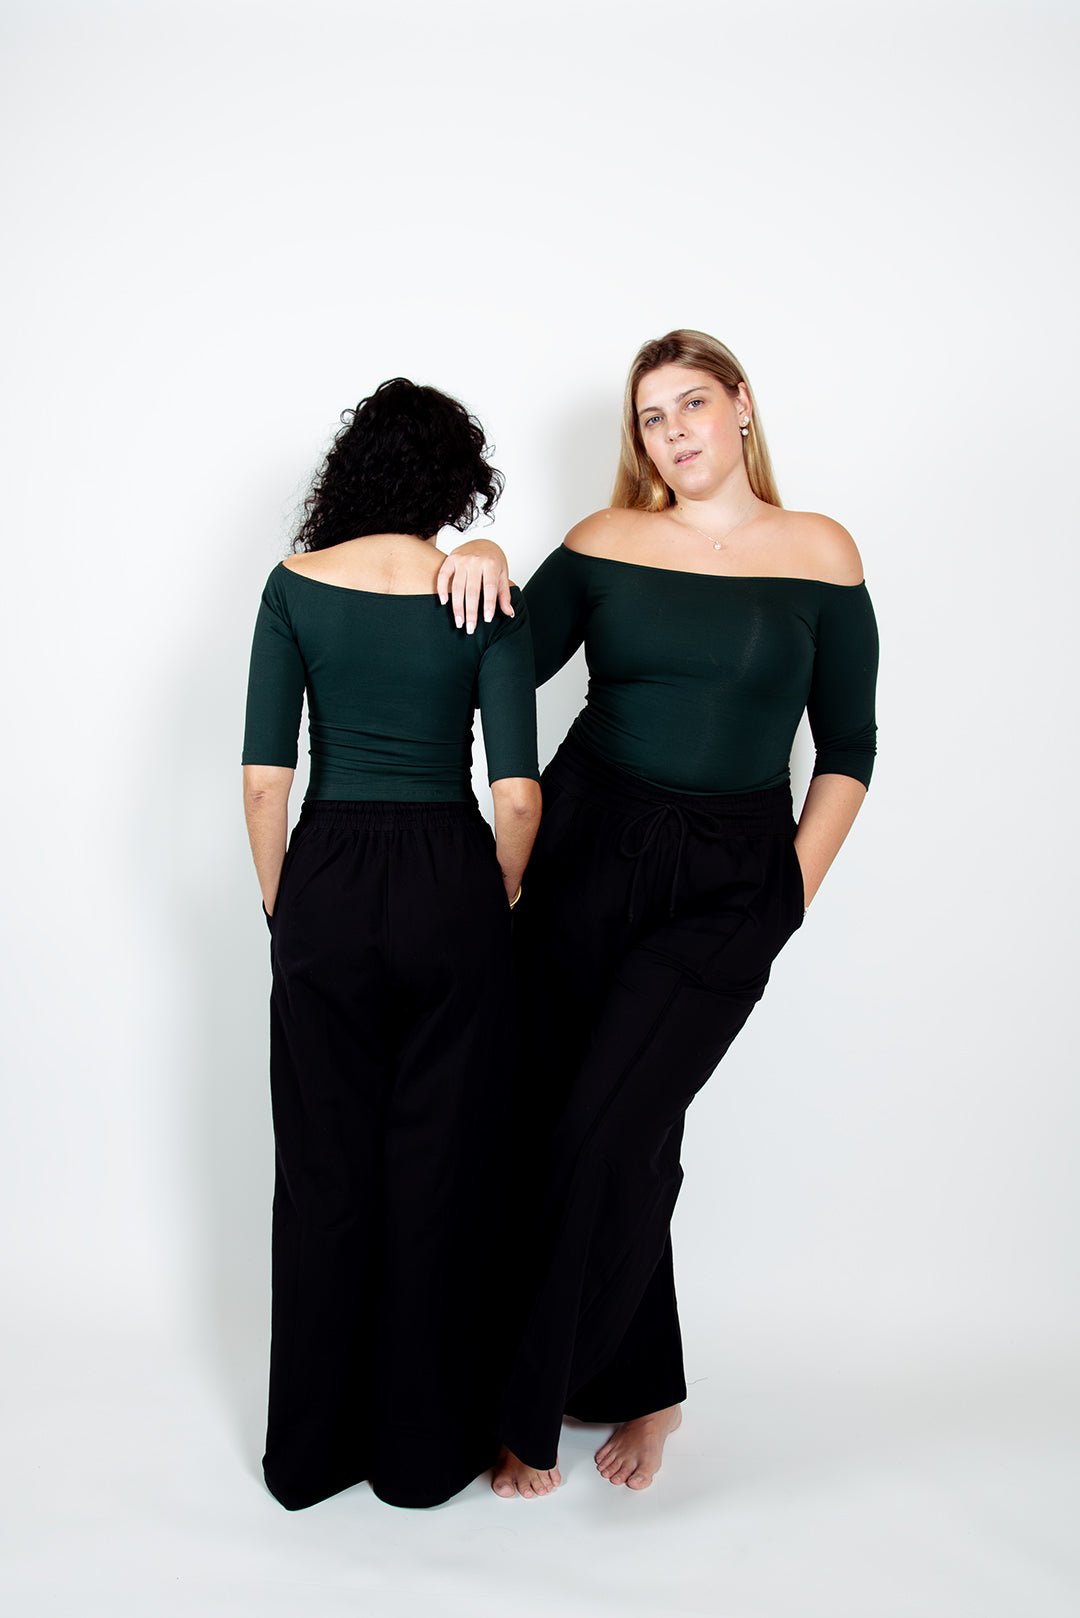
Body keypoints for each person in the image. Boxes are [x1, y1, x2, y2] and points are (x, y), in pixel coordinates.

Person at [437, 329, 879, 1498]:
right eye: (651, 416)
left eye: (691, 403)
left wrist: (789, 892)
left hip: (732, 877)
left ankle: (526, 1416)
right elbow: (498, 657)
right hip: (586, 849)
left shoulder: (822, 551)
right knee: (590, 1126)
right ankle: (649, 1385)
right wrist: (482, 551)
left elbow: (849, 745)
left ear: (740, 405)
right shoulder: (604, 543)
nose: (674, 430)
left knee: (607, 1127)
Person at [241, 378, 542, 1510]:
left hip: (324, 871)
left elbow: (264, 782)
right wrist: (492, 890)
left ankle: (311, 1458)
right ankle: (420, 1461)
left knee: (325, 1169)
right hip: (449, 877)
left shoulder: (293, 587)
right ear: (456, 486)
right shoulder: (480, 593)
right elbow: (518, 796)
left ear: (353, 470)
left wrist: (285, 906)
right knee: (438, 1171)